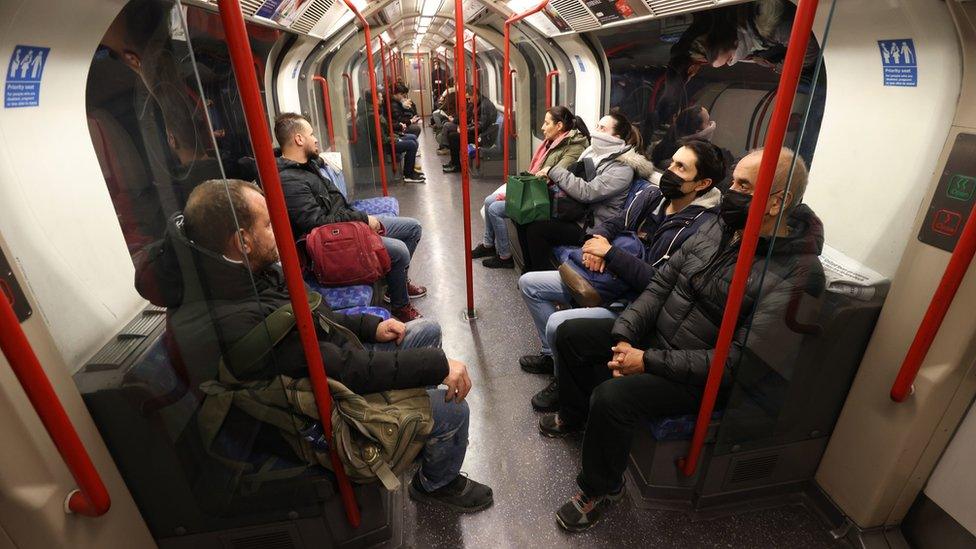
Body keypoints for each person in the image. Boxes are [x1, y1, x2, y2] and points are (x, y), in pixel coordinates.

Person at [142, 179, 493, 512]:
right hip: (305, 413)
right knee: (453, 409)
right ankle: (435, 484)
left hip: (326, 369)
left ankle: (417, 426)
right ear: (242, 241)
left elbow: (311, 317)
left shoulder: (236, 273)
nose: (278, 232)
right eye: (268, 225)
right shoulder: (235, 321)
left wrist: (369, 325)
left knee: (424, 331)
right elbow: (345, 368)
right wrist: (437, 366)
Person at [540, 147, 825, 532]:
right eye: (733, 181)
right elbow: (661, 285)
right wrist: (626, 333)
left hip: (702, 373)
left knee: (613, 397)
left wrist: (647, 361)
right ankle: (576, 415)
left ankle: (599, 489)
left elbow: (742, 363)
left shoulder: (799, 274)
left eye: (743, 185)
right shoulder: (718, 227)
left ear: (778, 202)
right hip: (661, 336)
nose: (730, 192)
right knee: (573, 334)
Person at [518, 140, 725, 411]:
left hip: (635, 302)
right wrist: (596, 243)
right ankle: (551, 356)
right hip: (606, 277)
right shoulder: (654, 198)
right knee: (529, 284)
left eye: (681, 168)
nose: (670, 171)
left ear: (701, 183)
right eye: (672, 162)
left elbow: (659, 284)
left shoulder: (701, 229)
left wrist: (611, 255)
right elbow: (618, 223)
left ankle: (562, 379)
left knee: (558, 323)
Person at [273, 113, 426, 321]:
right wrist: (362, 219)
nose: (316, 139)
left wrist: (358, 219)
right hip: (332, 243)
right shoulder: (290, 181)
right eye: (311, 134)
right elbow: (315, 224)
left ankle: (395, 284)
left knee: (413, 228)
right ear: (299, 140)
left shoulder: (307, 166)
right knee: (399, 251)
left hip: (347, 223)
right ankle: (400, 304)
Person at [522, 111, 654, 272]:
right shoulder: (594, 153)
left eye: (602, 128)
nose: (596, 131)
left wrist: (554, 171)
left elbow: (588, 192)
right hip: (579, 214)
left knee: (537, 230)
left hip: (592, 226)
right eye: (597, 126)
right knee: (526, 217)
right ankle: (528, 273)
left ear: (617, 137)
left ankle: (537, 278)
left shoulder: (622, 168)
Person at [471, 106, 590, 269]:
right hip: (538, 187)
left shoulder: (574, 147)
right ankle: (488, 245)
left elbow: (553, 175)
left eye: (546, 123)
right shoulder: (552, 143)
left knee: (495, 209)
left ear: (559, 126)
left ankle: (505, 256)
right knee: (489, 200)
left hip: (548, 196)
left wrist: (519, 191)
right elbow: (539, 172)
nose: (542, 127)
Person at [442, 88, 498, 174]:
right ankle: (454, 163)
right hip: (477, 133)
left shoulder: (484, 106)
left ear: (475, 96)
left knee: (453, 137)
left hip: (482, 136)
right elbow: (474, 122)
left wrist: (466, 130)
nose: (468, 101)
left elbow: (481, 125)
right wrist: (465, 128)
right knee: (451, 134)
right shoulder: (478, 104)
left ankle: (456, 166)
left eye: (469, 98)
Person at [649, 104, 715, 168]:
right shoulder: (694, 161)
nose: (711, 124)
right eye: (708, 121)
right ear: (698, 132)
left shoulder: (662, 145)